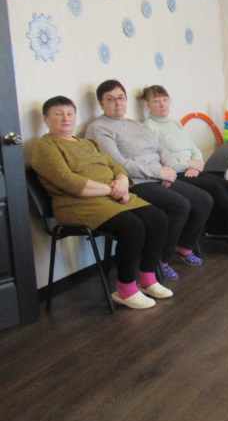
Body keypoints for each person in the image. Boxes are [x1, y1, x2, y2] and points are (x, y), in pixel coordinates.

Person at [32, 96, 172, 310]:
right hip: (77, 204)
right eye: (58, 114)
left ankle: (147, 278)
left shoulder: (88, 143)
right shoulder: (46, 145)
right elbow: (69, 182)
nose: (65, 118)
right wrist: (112, 190)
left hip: (109, 197)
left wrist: (122, 182)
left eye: (70, 113)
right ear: (45, 119)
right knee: (132, 227)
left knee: (158, 218)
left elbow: (117, 167)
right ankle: (126, 289)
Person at [86, 80, 213, 280]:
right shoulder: (99, 128)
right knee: (180, 205)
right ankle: (161, 260)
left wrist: (168, 168)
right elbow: (118, 162)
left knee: (204, 200)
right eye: (110, 99)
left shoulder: (135, 124)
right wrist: (158, 172)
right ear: (101, 103)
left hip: (160, 175)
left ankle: (183, 245)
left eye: (121, 97)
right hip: (136, 182)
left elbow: (161, 148)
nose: (117, 103)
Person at [140, 85, 228, 255]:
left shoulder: (174, 123)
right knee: (216, 187)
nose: (162, 104)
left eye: (165, 100)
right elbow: (160, 160)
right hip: (175, 173)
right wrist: (189, 164)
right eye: (156, 101)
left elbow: (193, 148)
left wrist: (198, 164)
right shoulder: (148, 127)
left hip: (191, 169)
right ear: (148, 105)